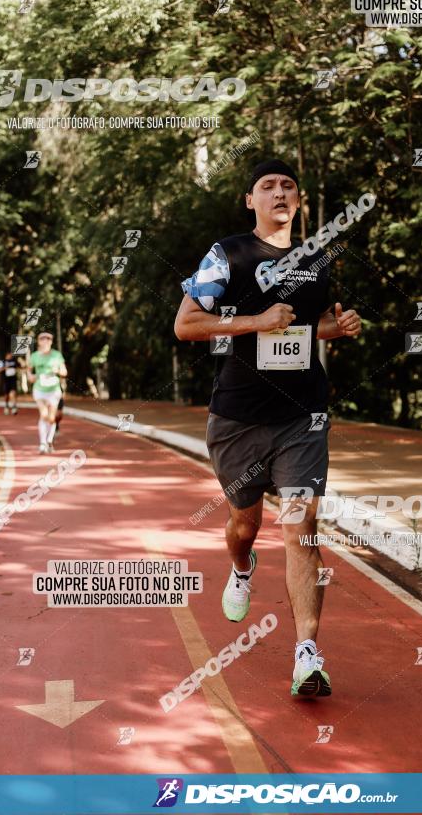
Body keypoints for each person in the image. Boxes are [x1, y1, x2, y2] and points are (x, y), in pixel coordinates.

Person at [175, 158, 361, 697]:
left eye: (287, 186)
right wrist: (256, 321)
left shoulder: (317, 259)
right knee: (245, 524)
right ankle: (241, 566)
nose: (279, 192)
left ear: (297, 202)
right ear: (250, 201)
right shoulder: (226, 254)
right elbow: (186, 324)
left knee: (301, 528)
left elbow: (309, 325)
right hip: (237, 417)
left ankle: (307, 653)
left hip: (303, 415)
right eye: (267, 186)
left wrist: (336, 327)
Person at [27, 333, 67, 453]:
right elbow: (28, 371)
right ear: (39, 342)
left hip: (54, 390)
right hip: (39, 390)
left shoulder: (57, 355)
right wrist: (31, 377)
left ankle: (49, 441)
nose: (46, 340)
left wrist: (59, 370)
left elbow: (64, 372)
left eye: (48, 338)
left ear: (51, 342)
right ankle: (43, 443)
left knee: (51, 418)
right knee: (43, 415)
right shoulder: (34, 356)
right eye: (42, 338)